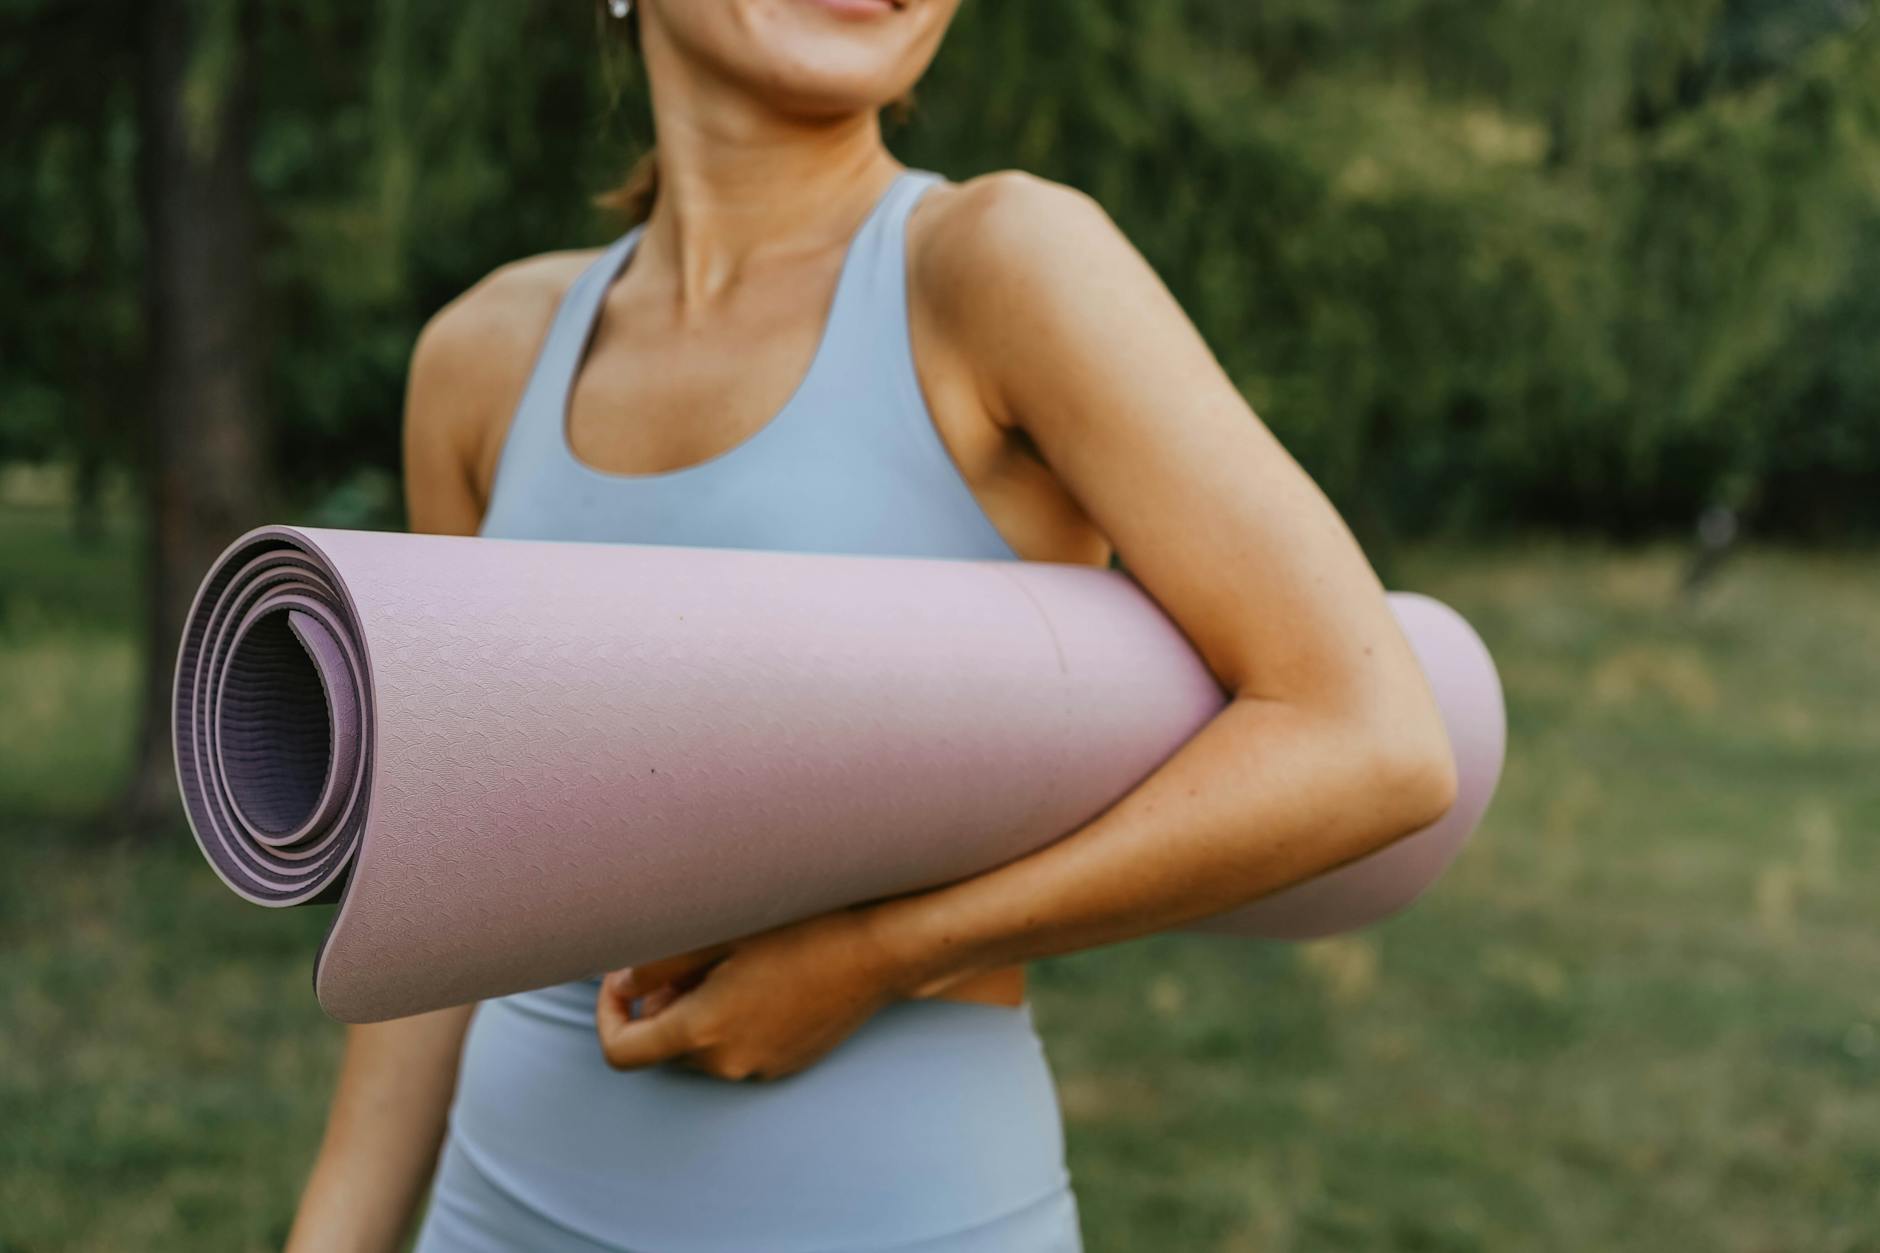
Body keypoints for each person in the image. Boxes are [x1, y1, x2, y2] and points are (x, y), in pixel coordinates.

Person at [284, 2, 1458, 1249]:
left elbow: (1370, 736)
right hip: (499, 1213)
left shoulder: (1000, 263)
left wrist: (875, 954)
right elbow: (433, 910)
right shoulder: (482, 360)